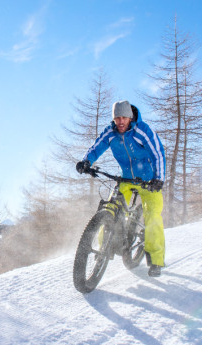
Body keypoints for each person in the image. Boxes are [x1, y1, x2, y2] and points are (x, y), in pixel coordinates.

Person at [76, 100, 167, 277]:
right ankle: (105, 248)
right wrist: (87, 161)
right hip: (125, 177)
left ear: (130, 117)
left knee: (152, 215)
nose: (120, 122)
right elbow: (97, 147)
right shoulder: (110, 132)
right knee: (110, 207)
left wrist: (158, 178)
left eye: (124, 117)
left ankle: (156, 260)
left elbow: (158, 153)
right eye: (117, 118)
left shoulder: (143, 131)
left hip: (148, 180)